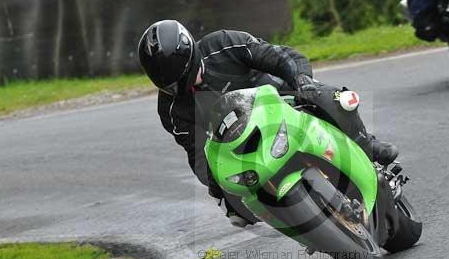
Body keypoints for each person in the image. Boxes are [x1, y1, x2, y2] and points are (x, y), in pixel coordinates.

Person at [138, 19, 399, 227]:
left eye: (182, 78)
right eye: (170, 86)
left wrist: (301, 79)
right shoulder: (171, 110)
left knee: (332, 98)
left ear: (192, 54)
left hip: (287, 103)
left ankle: (368, 148)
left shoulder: (224, 43)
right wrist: (220, 191)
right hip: (245, 145)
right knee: (233, 204)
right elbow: (197, 152)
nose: (180, 88)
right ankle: (298, 222)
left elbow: (280, 56)